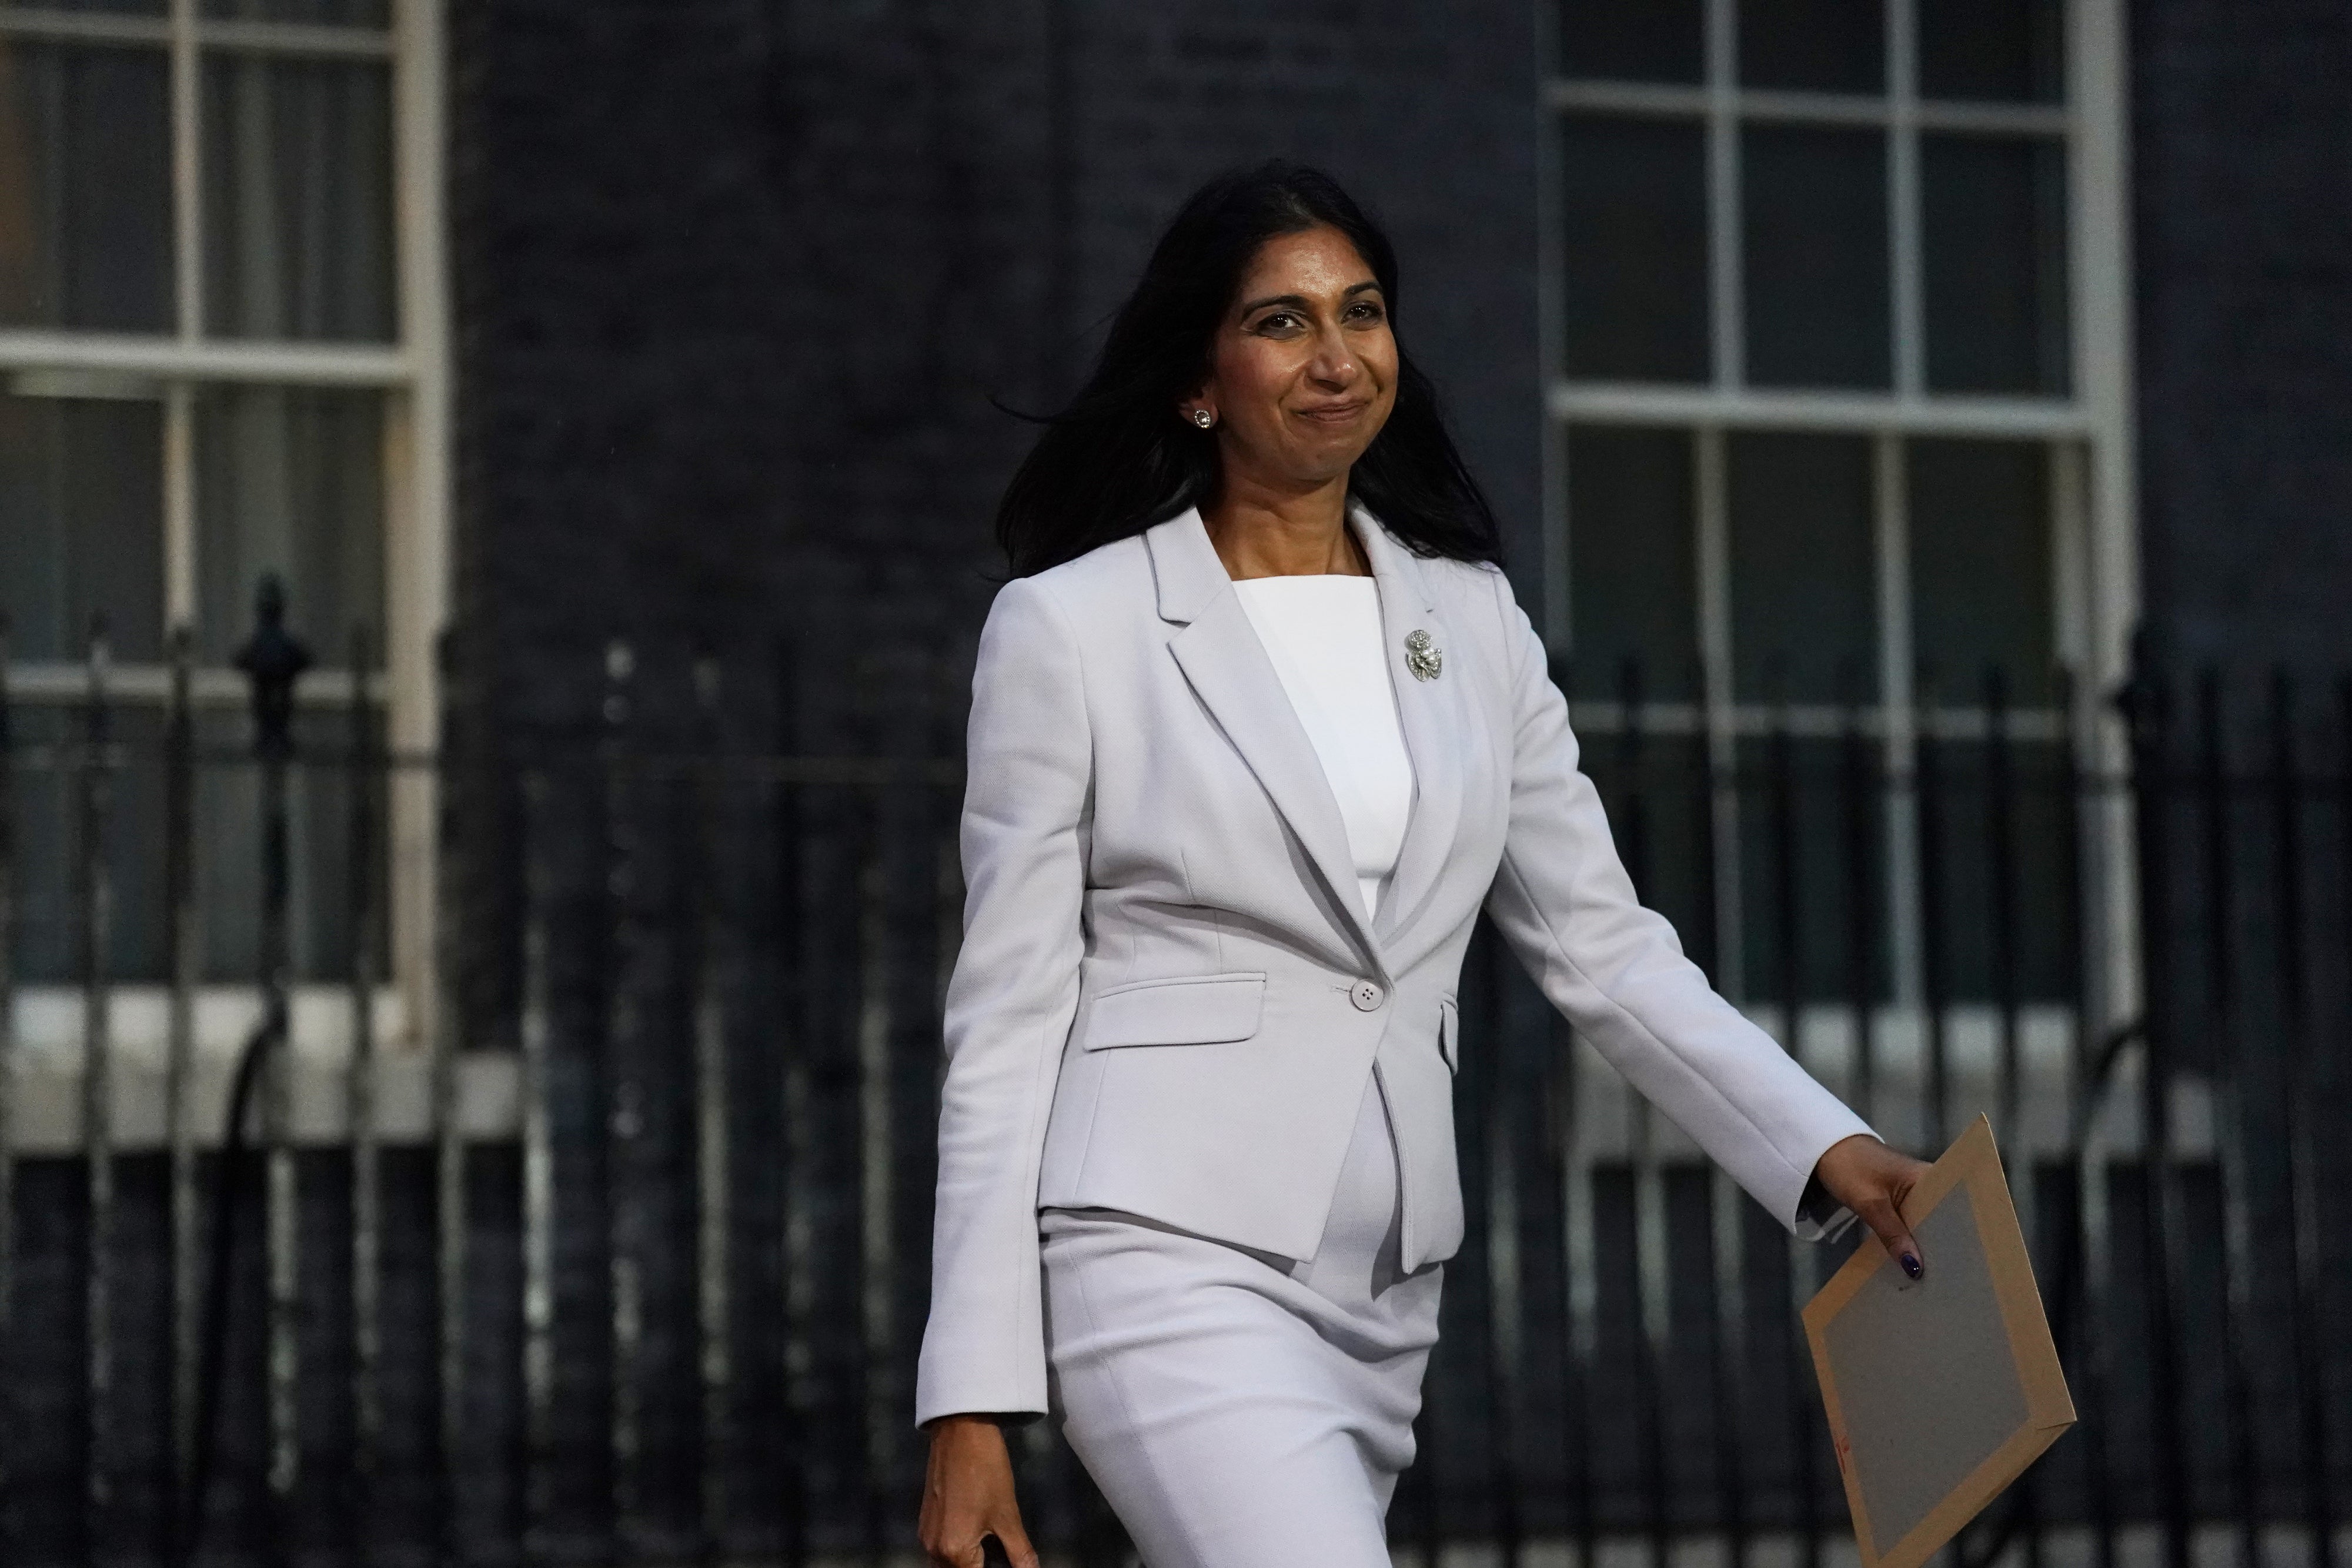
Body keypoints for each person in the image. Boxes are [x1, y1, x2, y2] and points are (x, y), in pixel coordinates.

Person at [916, 162, 1928, 1568]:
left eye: (1363, 311)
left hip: (1386, 1291)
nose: (1335, 356)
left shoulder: (1470, 618)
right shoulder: (1072, 627)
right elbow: (1005, 1018)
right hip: (1160, 1249)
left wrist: (1820, 1140)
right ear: (1198, 376)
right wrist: (970, 1399)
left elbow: (1602, 945)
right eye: (1279, 322)